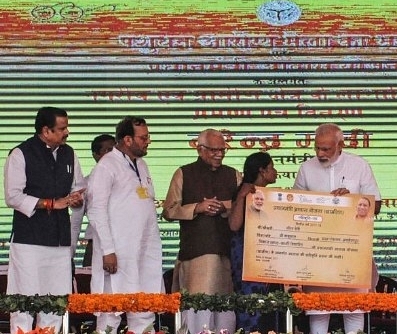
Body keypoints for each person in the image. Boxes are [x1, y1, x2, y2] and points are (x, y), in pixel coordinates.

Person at [293, 123, 381, 334]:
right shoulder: (306, 168)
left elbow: (376, 205)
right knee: (318, 310)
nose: (320, 153)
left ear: (340, 144)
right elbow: (294, 207)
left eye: (326, 149)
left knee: (354, 309)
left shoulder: (359, 165)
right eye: (317, 148)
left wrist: (351, 199)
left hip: (351, 250)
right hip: (318, 251)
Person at [3, 106, 85, 333]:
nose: (67, 132)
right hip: (29, 240)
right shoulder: (20, 153)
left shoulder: (69, 153)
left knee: (55, 299)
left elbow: (77, 187)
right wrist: (50, 203)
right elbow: (13, 196)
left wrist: (76, 199)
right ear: (45, 130)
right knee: (25, 298)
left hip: (59, 239)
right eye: (62, 128)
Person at [86, 117, 163, 333]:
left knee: (144, 310)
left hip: (144, 252)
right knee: (111, 312)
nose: (148, 141)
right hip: (117, 253)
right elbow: (96, 210)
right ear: (127, 140)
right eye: (144, 137)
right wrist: (108, 251)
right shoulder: (107, 165)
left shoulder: (142, 164)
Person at [162, 129, 240, 334]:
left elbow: (245, 207)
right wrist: (197, 208)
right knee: (198, 312)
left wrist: (224, 207)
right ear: (200, 149)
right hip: (195, 253)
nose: (219, 154)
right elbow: (169, 211)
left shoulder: (233, 175)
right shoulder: (184, 173)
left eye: (222, 150)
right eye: (214, 150)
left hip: (226, 254)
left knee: (224, 312)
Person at [229, 152, 279, 332]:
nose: (275, 172)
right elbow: (234, 226)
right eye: (272, 167)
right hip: (247, 257)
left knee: (268, 306)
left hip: (268, 258)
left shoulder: (271, 195)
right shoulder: (246, 192)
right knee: (250, 304)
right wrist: (242, 197)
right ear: (262, 171)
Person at [70, 134, 116, 267]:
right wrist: (69, 255)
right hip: (96, 243)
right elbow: (75, 223)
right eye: (107, 150)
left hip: (124, 243)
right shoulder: (85, 184)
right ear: (95, 155)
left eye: (114, 150)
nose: (112, 155)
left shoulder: (128, 180)